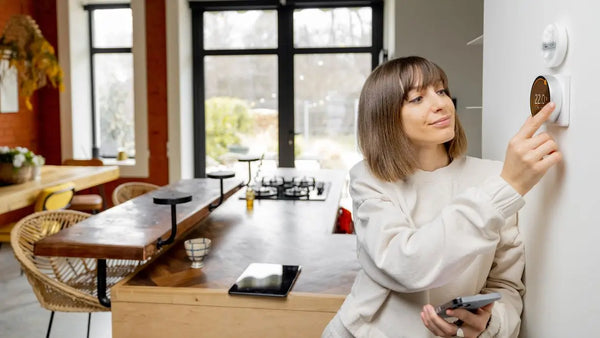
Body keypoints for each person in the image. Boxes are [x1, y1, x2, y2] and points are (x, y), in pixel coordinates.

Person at [322, 56, 562, 338]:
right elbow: (408, 265)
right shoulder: (370, 179)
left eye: (441, 91)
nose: (440, 104)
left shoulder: (493, 177)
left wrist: (487, 323)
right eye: (416, 99)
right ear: (385, 116)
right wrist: (506, 187)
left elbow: (506, 286)